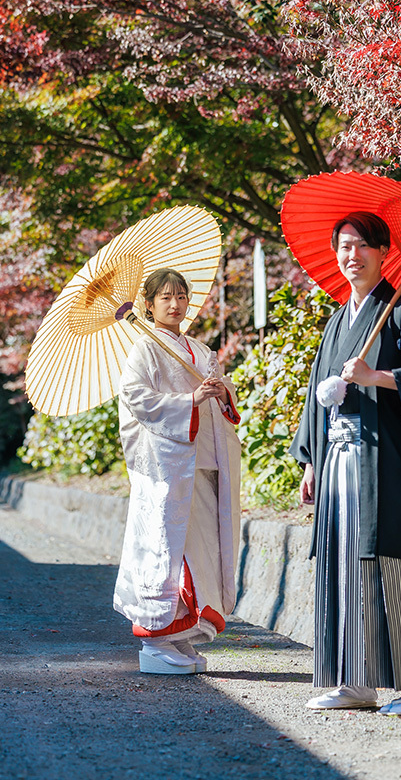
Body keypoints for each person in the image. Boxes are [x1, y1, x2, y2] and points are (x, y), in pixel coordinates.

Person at [291, 212, 401, 713]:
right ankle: (355, 680)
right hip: (339, 459)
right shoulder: (339, 321)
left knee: (394, 560)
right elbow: (320, 400)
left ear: (384, 253)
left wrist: (377, 376)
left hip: (387, 465)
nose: (352, 255)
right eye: (344, 246)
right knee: (343, 560)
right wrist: (312, 461)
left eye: (363, 245)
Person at [113, 268, 241, 675]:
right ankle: (156, 639)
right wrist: (188, 400)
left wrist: (222, 393)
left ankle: (183, 634)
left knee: (200, 551)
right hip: (166, 468)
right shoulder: (143, 349)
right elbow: (135, 399)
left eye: (181, 296)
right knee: (168, 549)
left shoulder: (200, 350)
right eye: (165, 297)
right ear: (148, 305)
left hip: (202, 461)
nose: (175, 303)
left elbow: (222, 395)